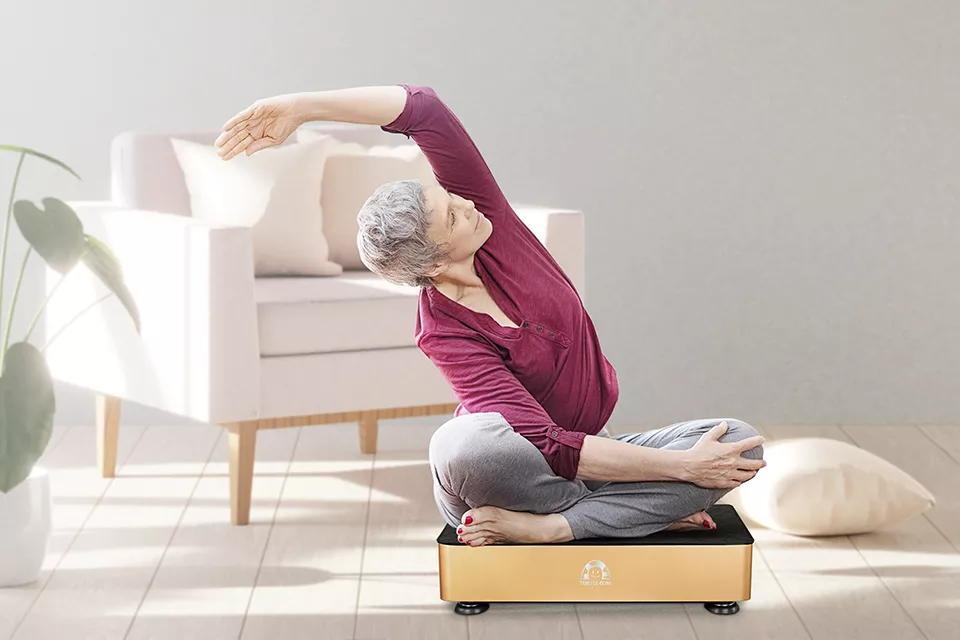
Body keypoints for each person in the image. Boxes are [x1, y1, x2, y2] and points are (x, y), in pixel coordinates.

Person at [216, 84, 766, 546]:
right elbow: (544, 445)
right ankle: (626, 512)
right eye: (453, 216)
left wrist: (303, 107)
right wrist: (682, 470)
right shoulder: (442, 331)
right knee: (464, 446)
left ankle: (561, 525)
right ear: (434, 262)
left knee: (739, 440)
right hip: (515, 475)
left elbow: (424, 109)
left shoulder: (491, 222)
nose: (468, 204)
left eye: (452, 197)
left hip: (579, 466)